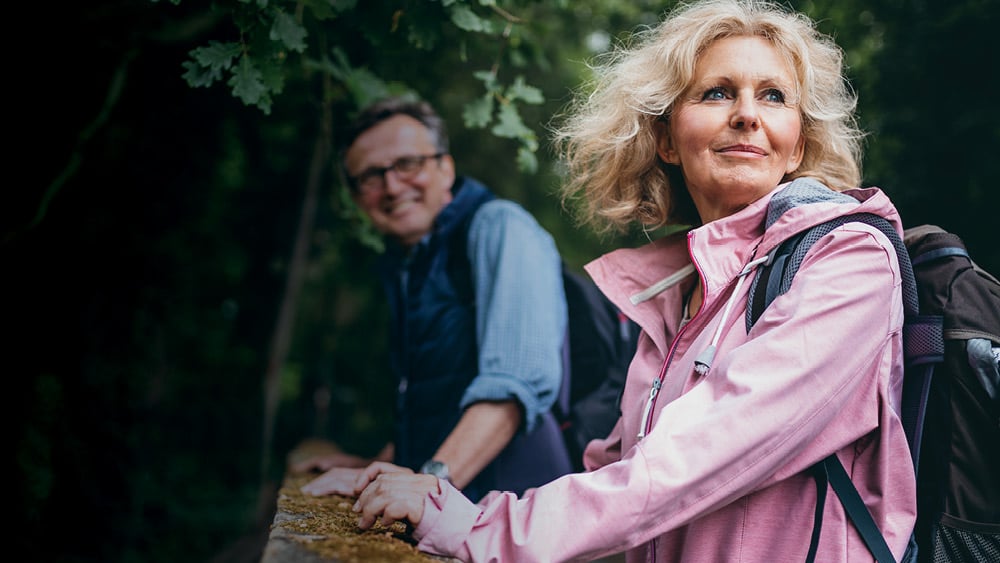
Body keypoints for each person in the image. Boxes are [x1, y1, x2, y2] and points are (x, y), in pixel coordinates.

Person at [343, 1, 918, 561]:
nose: (748, 114)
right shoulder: (673, 294)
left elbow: (696, 458)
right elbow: (613, 476)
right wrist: (408, 488)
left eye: (773, 96)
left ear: (797, 146)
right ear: (665, 140)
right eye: (717, 93)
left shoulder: (848, 259)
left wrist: (468, 523)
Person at [289, 96, 573, 503]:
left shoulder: (500, 228)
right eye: (370, 176)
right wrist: (374, 466)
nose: (392, 186)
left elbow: (512, 389)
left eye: (408, 163)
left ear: (446, 168)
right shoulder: (410, 266)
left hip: (513, 517)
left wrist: (429, 484)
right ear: (356, 197)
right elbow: (434, 400)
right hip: (453, 513)